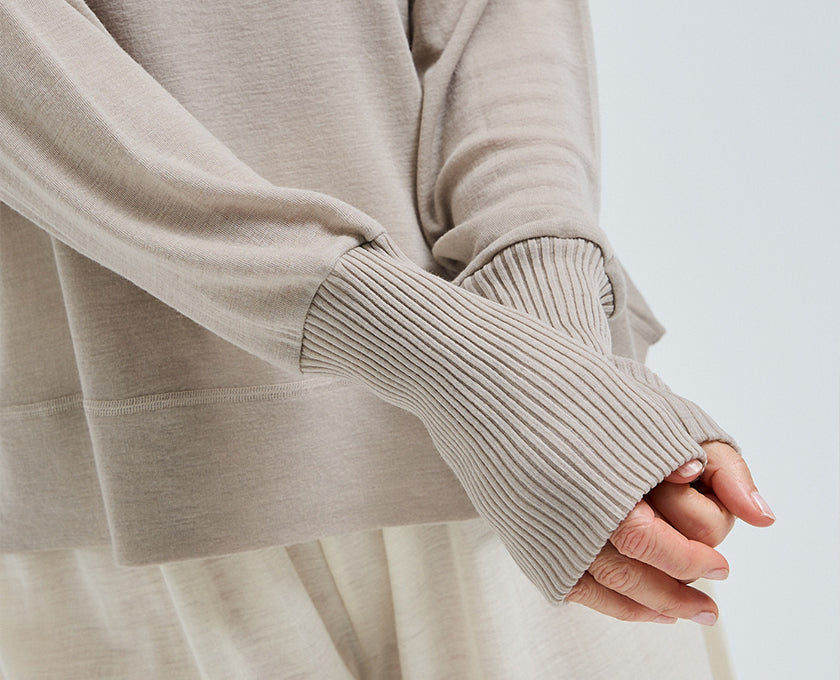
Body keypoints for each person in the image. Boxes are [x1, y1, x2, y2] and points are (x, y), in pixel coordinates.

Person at [0, 0, 774, 678]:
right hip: (141, 493)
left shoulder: (549, 404)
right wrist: (481, 368)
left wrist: (552, 350)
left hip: (543, 464)